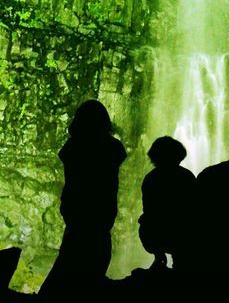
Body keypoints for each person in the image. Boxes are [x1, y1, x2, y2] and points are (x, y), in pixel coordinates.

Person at [40, 100, 127, 297]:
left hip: (78, 215)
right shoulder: (112, 148)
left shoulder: (74, 147)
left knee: (69, 264)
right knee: (93, 264)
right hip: (100, 215)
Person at [138, 136, 197, 270]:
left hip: (157, 231)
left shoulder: (150, 178)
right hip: (184, 231)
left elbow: (148, 209)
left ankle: (159, 256)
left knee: (144, 222)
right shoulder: (186, 176)